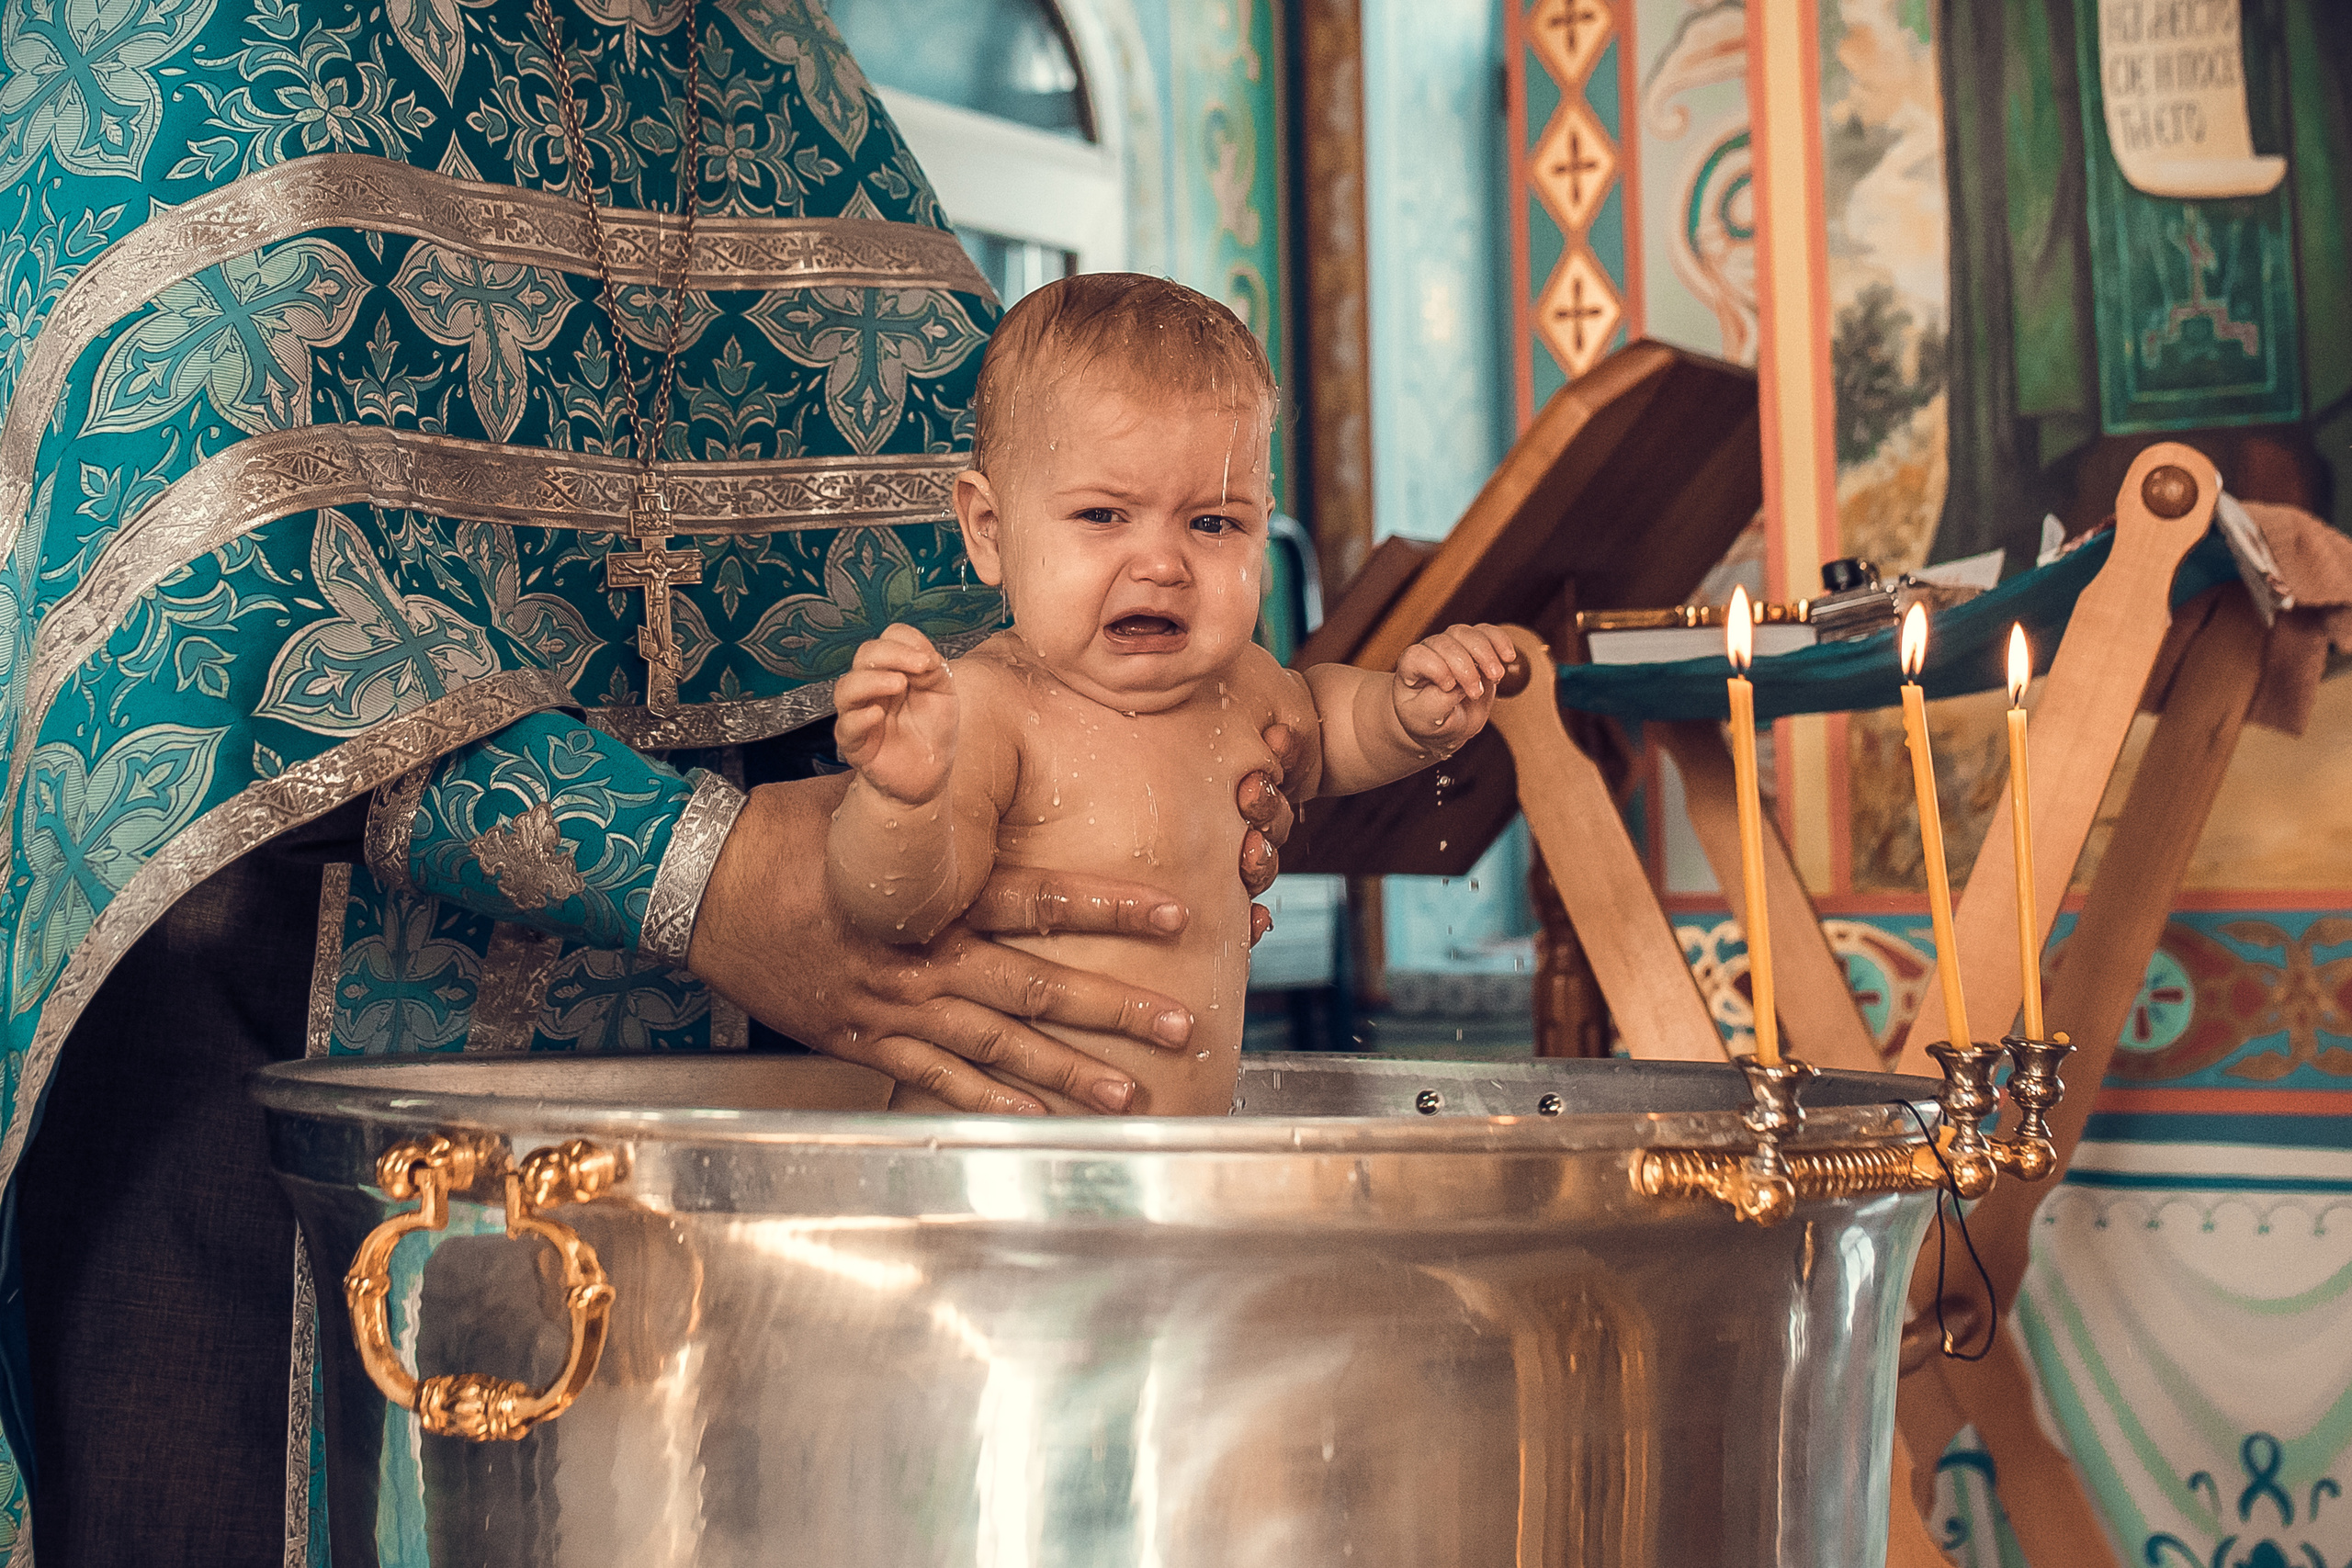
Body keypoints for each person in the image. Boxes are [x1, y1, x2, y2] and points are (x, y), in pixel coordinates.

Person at [0, 2, 1299, 1561]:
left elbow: (993, 568)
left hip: (736, 1161)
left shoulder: (760, 56)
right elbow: (200, 625)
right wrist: (698, 868)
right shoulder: (203, 37)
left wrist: (1126, 759)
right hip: (262, 1101)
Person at [828, 276, 1513, 1114]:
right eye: (1104, 516)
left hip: (1178, 1170)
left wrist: (1407, 717)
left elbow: (1328, 729)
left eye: (1214, 524)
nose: (1162, 563)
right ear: (991, 532)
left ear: (1263, 520)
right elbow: (894, 907)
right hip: (992, 1168)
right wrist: (900, 796)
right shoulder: (992, 710)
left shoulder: (1243, 688)